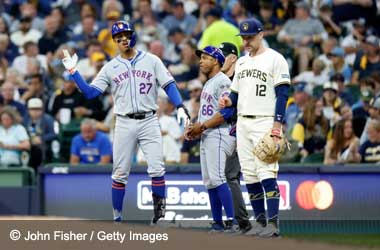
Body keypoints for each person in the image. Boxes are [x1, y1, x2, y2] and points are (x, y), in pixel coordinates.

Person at [61, 20, 190, 223]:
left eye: (126, 36)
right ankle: (117, 218)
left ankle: (160, 217)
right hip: (124, 122)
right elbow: (90, 93)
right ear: (114, 42)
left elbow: (169, 84)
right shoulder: (110, 67)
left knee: (157, 169)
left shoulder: (152, 60)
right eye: (119, 38)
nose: (123, 40)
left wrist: (180, 105)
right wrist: (74, 73)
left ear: (133, 36)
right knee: (120, 174)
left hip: (149, 119)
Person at [219, 18, 290, 237]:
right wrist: (228, 101)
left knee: (266, 171)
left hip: (264, 120)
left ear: (261, 35)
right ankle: (259, 223)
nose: (246, 41)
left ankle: (274, 224)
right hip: (243, 122)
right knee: (249, 174)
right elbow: (235, 93)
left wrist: (277, 124)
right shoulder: (241, 62)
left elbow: (283, 94)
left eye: (250, 37)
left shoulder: (275, 59)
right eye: (244, 38)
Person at [186, 45, 236, 232]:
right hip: (208, 134)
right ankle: (217, 223)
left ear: (216, 60)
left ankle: (232, 222)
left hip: (220, 132)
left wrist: (203, 126)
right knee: (209, 180)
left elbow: (227, 111)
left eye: (205, 57)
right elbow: (206, 114)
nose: (200, 61)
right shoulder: (210, 82)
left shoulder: (222, 81)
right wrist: (195, 129)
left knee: (217, 177)